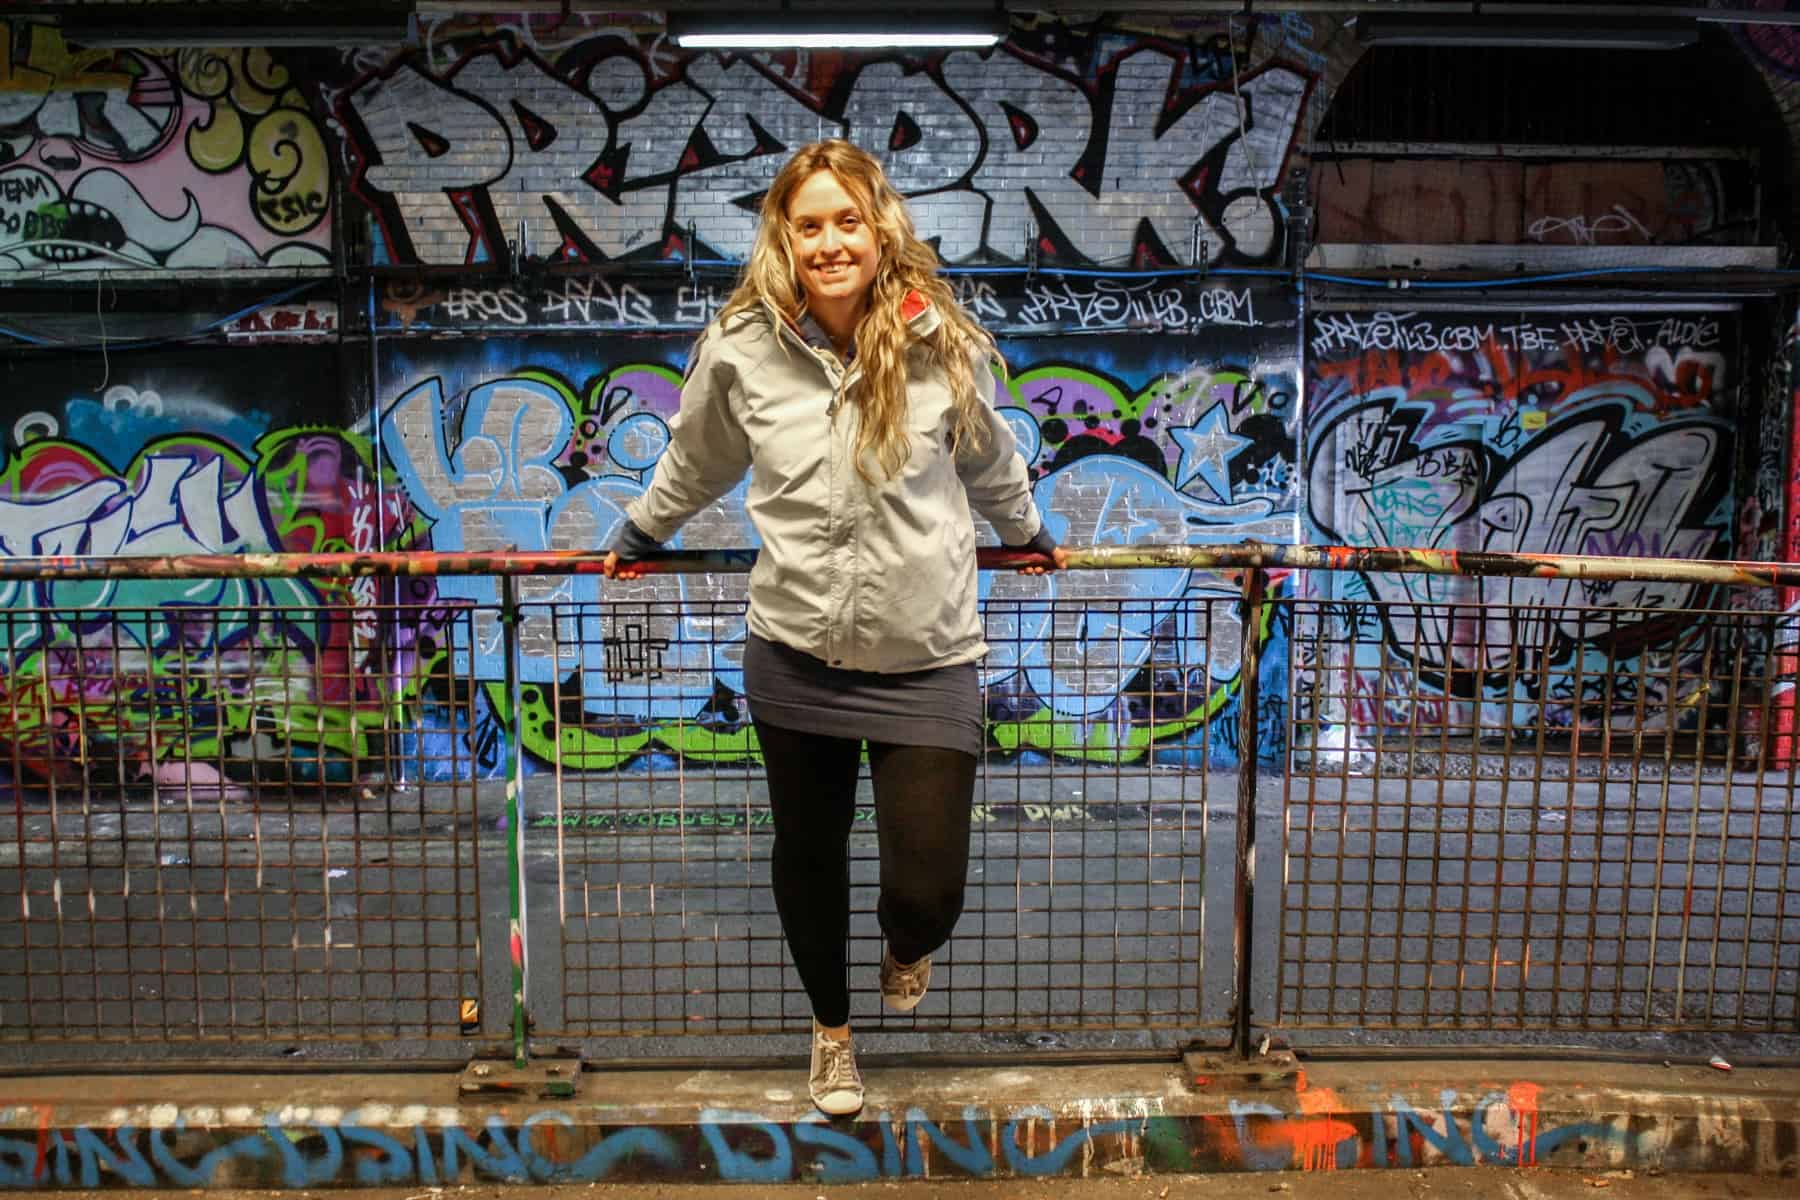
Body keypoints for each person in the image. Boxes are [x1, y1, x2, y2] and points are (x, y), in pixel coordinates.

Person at [601, 138, 1067, 1118]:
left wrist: (1026, 533)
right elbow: (700, 458)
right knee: (809, 854)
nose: (828, 242)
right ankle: (833, 1034)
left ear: (878, 226)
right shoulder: (744, 348)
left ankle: (905, 948)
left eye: (845, 221)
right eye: (807, 225)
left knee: (928, 888)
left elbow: (989, 459)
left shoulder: (938, 341)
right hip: (796, 651)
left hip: (927, 653)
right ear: (784, 235)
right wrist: (644, 529)